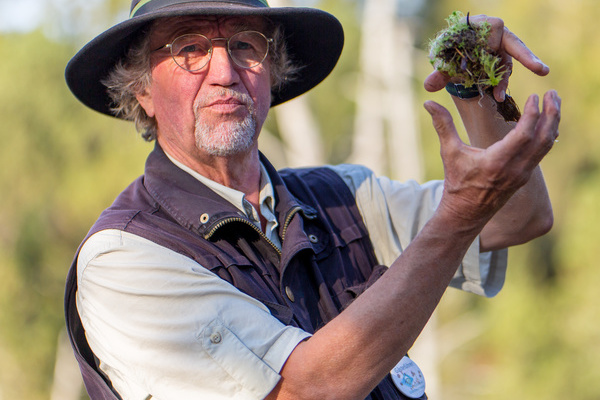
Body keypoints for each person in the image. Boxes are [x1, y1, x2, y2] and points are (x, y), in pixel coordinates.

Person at [63, 0, 561, 399]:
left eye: (245, 45)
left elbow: (518, 218)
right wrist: (457, 215)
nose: (224, 71)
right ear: (143, 89)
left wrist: (473, 79)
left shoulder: (344, 198)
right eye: (189, 48)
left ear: (271, 71)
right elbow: (305, 391)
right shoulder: (125, 257)